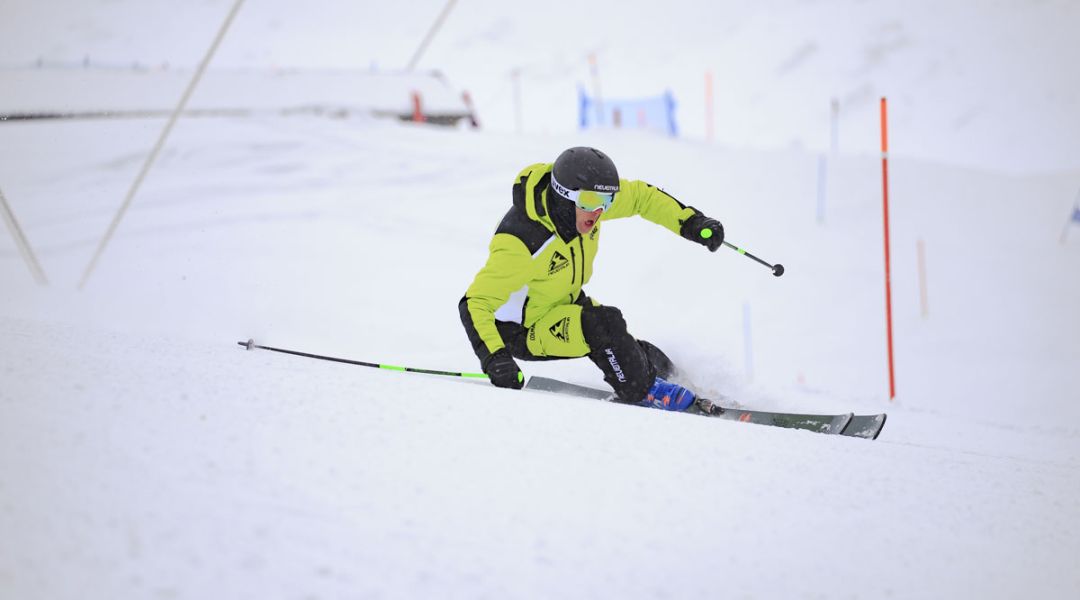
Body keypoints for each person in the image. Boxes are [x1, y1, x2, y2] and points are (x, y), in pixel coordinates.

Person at [458, 146, 725, 411]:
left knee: (628, 346)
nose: (598, 212)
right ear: (564, 196)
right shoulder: (521, 241)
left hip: (563, 302)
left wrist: (691, 223)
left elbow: (642, 197)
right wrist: (496, 358)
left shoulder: (585, 207)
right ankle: (644, 391)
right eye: (590, 202)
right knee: (603, 325)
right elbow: (474, 303)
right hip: (523, 330)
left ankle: (686, 386)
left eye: (606, 201)